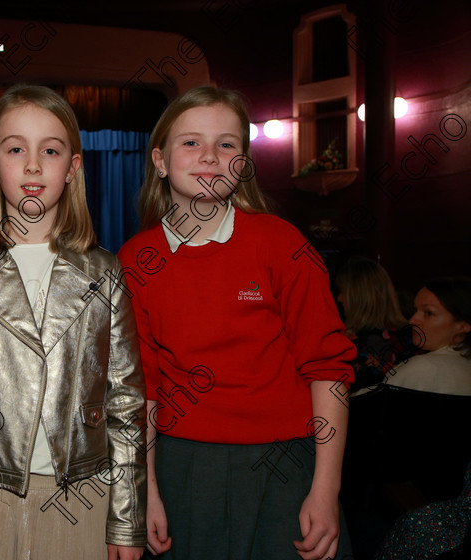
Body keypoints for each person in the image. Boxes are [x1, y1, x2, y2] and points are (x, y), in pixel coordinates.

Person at [118, 86, 356, 560]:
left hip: (287, 464)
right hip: (183, 466)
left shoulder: (280, 242)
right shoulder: (135, 259)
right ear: (160, 161)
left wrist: (325, 489)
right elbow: (139, 387)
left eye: (226, 144)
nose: (209, 156)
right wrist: (145, 491)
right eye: (191, 143)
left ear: (243, 162)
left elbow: (328, 368)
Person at [0, 84, 146, 560]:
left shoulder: (104, 272)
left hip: (83, 498)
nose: (34, 165)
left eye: (51, 150)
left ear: (74, 167)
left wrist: (126, 521)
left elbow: (126, 405)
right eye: (16, 149)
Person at [335, 257, 416, 391]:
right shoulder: (409, 336)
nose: (339, 299)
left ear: (359, 296)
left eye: (343, 292)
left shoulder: (348, 343)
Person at [380, 277, 471, 395]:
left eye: (428, 313)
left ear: (463, 326)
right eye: (415, 310)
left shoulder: (423, 368)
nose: (412, 320)